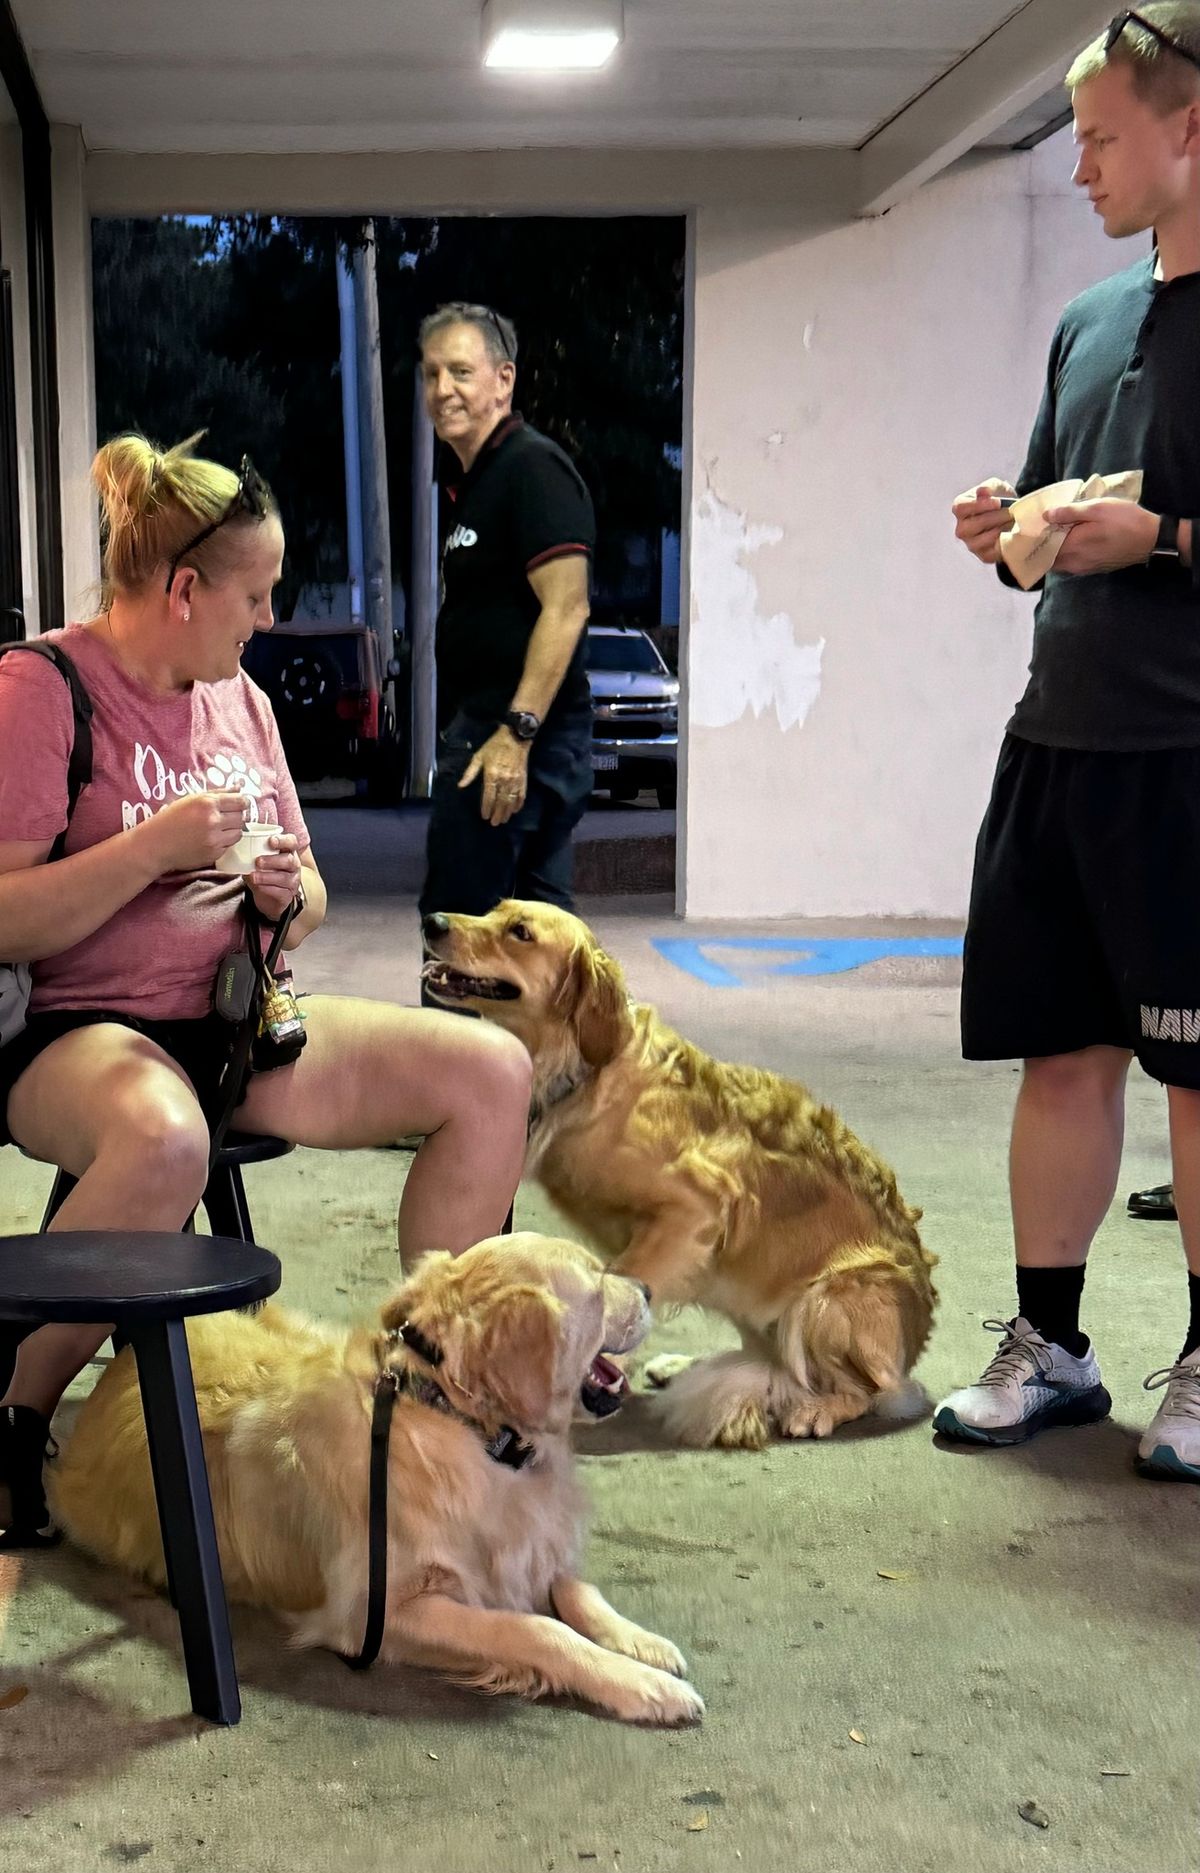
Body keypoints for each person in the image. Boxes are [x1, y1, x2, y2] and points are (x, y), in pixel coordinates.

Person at [0, 432, 532, 1547]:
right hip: (80, 1028)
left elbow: (316, 893)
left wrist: (290, 893)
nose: (270, 615)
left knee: (491, 1069)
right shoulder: (42, 686)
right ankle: (14, 1410)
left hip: (241, 1020)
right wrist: (150, 850)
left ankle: (446, 1381)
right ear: (184, 588)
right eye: (256, 591)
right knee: (164, 1139)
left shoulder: (237, 697)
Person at [935, 6, 1200, 1481]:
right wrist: (1008, 529)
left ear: (1191, 129)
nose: (1080, 165)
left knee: (1199, 1079)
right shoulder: (1091, 323)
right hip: (1061, 742)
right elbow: (1047, 522)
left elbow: (1144, 532)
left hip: (1187, 755)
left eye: (1101, 138)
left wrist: (1158, 534)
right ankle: (1054, 1347)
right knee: (1062, 1056)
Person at [416, 303, 596, 931]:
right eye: (432, 373)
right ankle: (537, 1037)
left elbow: (567, 605)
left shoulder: (530, 469)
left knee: (462, 936)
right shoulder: (482, 480)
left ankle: (464, 1036)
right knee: (535, 944)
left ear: (504, 379)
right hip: (501, 735)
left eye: (461, 371)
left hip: (511, 740)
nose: (443, 390)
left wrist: (516, 734)